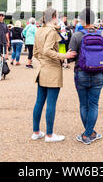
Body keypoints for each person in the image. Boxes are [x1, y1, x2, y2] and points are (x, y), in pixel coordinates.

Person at [31, 8, 76, 143]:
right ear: (55, 16)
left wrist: (41, 63)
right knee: (51, 103)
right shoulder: (51, 31)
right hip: (51, 69)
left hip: (41, 68)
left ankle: (36, 132)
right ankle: (49, 135)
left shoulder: (39, 30)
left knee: (39, 102)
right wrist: (64, 56)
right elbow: (47, 50)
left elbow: (35, 53)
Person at [69, 8, 103, 145]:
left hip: (81, 72)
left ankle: (86, 135)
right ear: (93, 20)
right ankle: (91, 132)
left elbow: (71, 57)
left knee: (83, 104)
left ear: (81, 20)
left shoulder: (77, 35)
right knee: (93, 105)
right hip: (98, 73)